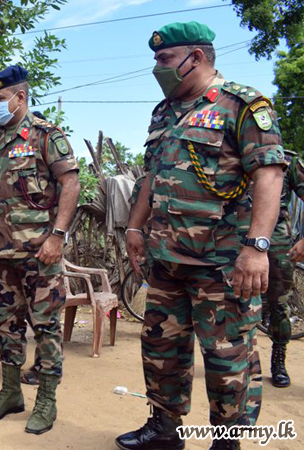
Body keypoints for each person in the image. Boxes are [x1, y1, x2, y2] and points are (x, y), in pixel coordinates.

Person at [116, 22, 285, 450]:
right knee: (161, 350)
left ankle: (226, 442)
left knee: (226, 359)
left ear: (198, 57)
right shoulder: (164, 111)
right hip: (166, 260)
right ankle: (165, 430)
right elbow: (151, 176)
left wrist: (257, 248)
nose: (158, 68)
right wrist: (135, 227)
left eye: (165, 59)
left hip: (223, 264)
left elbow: (268, 176)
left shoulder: (243, 105)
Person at [0, 65, 80, 435]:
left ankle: (46, 402)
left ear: (21, 97)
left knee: (46, 327)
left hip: (40, 253)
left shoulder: (46, 135)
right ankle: (10, 393)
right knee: (7, 326)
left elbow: (70, 184)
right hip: (3, 254)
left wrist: (58, 235)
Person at [262, 149, 304, 388]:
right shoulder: (229, 154)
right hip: (235, 242)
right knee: (234, 303)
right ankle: (243, 362)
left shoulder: (287, 161)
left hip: (277, 243)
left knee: (279, 304)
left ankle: (278, 361)